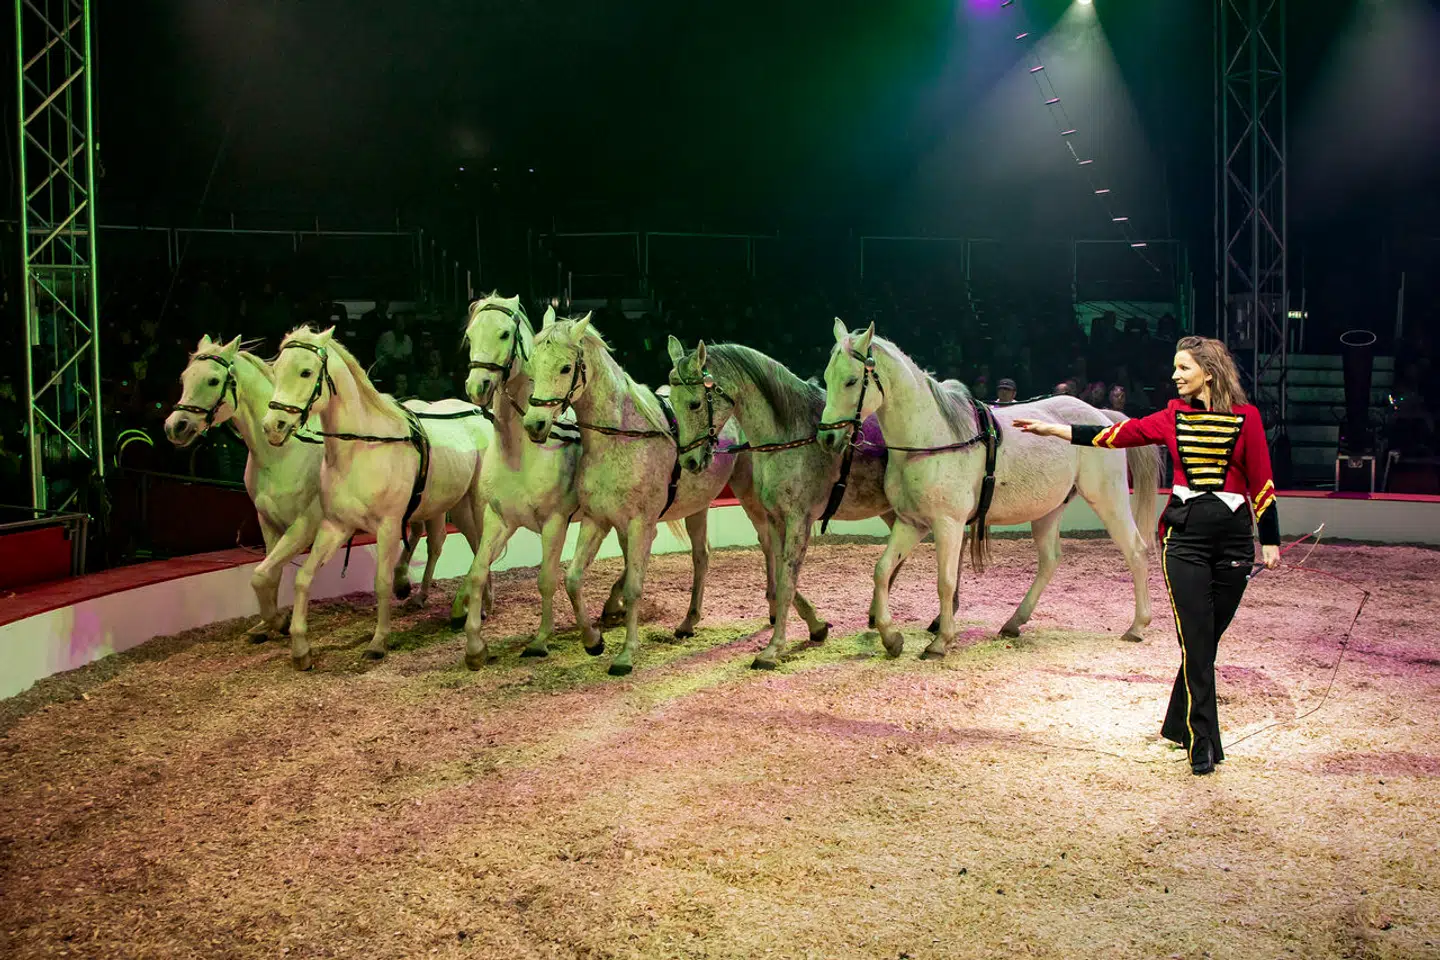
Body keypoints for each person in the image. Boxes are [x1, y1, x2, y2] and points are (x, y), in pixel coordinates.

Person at [1013, 336, 1281, 776]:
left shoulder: (1246, 417)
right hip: (1185, 540)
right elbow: (1117, 435)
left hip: (1234, 542)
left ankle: (1177, 723)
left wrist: (1269, 540)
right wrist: (1057, 431)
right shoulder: (1172, 416)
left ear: (1209, 372)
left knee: (1204, 641)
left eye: (1184, 368)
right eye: (1175, 368)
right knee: (1195, 640)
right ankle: (1202, 740)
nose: (1175, 376)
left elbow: (1263, 481)